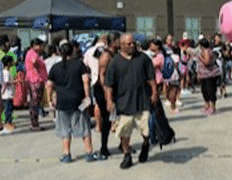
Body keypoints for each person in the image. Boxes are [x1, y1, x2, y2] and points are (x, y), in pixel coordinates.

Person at [105, 33, 158, 169]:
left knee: (146, 131)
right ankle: (126, 155)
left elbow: (151, 78)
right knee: (124, 132)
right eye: (128, 44)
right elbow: (109, 84)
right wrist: (109, 101)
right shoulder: (115, 62)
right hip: (124, 103)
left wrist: (154, 93)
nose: (132, 45)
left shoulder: (143, 58)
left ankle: (146, 145)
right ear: (121, 45)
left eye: (133, 43)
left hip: (143, 101)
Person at [46, 41, 99, 163]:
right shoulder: (79, 65)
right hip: (78, 100)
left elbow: (49, 85)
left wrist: (49, 99)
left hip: (62, 101)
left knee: (65, 129)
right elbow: (86, 81)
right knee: (84, 126)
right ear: (73, 51)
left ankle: (66, 154)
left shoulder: (56, 67)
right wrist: (87, 97)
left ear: (60, 52)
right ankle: (89, 152)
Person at [93, 32, 120, 159]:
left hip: (113, 88)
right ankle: (104, 147)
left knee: (119, 117)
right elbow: (102, 76)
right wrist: (106, 93)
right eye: (119, 40)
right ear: (114, 41)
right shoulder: (106, 56)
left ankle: (123, 143)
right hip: (102, 89)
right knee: (106, 119)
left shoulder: (116, 54)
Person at [24, 38, 48, 131]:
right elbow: (34, 62)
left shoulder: (31, 53)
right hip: (35, 80)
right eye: (41, 45)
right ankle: (34, 124)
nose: (42, 47)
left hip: (34, 80)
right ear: (35, 45)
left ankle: (35, 123)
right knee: (35, 103)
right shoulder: (32, 54)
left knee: (35, 103)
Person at [196, 37, 220, 115]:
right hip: (203, 75)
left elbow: (207, 62)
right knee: (204, 91)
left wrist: (201, 58)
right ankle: (207, 105)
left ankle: (212, 107)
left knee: (210, 91)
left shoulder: (206, 51)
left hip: (209, 74)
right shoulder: (203, 51)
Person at [1, 55, 16, 132]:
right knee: (8, 108)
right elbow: (6, 83)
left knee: (9, 107)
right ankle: (8, 122)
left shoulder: (5, 72)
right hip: (7, 93)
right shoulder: (6, 72)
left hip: (9, 93)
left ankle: (9, 121)